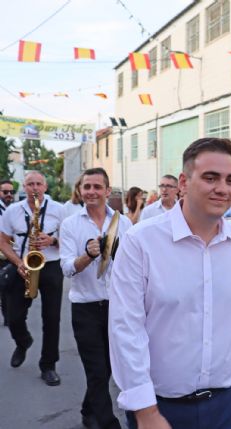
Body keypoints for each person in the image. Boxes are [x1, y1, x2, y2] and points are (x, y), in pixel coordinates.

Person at [109, 138, 231, 429]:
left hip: (229, 402)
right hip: (161, 408)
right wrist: (145, 411)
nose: (223, 188)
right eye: (210, 177)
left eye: (230, 180)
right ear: (184, 181)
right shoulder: (141, 241)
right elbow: (126, 329)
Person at [59, 168, 132, 429]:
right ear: (80, 190)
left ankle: (88, 409)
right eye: (86, 186)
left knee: (109, 368)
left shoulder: (124, 223)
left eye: (96, 187)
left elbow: (134, 266)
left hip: (117, 307)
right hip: (86, 307)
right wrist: (88, 255)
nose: (90, 192)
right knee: (96, 370)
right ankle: (108, 422)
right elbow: (67, 268)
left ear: (107, 191)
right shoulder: (70, 224)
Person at [0, 171, 65, 386]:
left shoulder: (60, 210)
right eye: (30, 184)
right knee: (14, 316)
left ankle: (48, 365)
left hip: (51, 265)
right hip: (22, 265)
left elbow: (71, 238)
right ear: (24, 187)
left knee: (51, 318)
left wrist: (53, 240)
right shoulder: (12, 211)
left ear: (46, 187)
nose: (34, 188)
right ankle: (23, 341)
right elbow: (2, 241)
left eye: (38, 183)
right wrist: (18, 263)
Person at [0, 179, 16, 326]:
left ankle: (7, 316)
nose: (9, 195)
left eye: (12, 192)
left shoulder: (14, 210)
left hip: (8, 254)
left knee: (7, 286)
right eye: (5, 192)